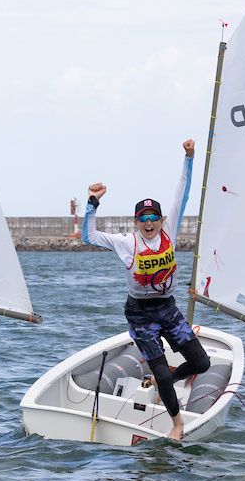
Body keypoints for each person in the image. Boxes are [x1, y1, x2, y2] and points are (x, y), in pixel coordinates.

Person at [83, 139, 210, 441]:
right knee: (165, 373)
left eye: (154, 218)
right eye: (144, 219)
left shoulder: (170, 231)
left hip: (168, 307)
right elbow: (89, 236)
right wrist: (92, 202)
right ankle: (176, 423)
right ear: (137, 222)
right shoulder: (128, 242)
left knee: (202, 363)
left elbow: (184, 192)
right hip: (140, 315)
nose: (149, 223)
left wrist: (188, 158)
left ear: (162, 220)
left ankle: (158, 382)